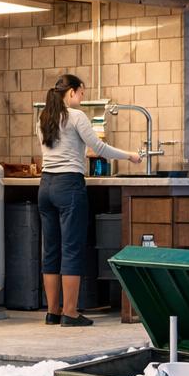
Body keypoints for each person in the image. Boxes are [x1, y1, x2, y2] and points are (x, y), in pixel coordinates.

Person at [36, 73, 141, 326]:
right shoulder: (76, 117)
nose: (82, 99)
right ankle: (70, 313)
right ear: (70, 92)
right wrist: (130, 156)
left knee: (50, 249)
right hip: (68, 185)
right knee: (71, 248)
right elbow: (100, 148)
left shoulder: (43, 118)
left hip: (46, 185)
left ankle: (53, 312)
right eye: (81, 93)